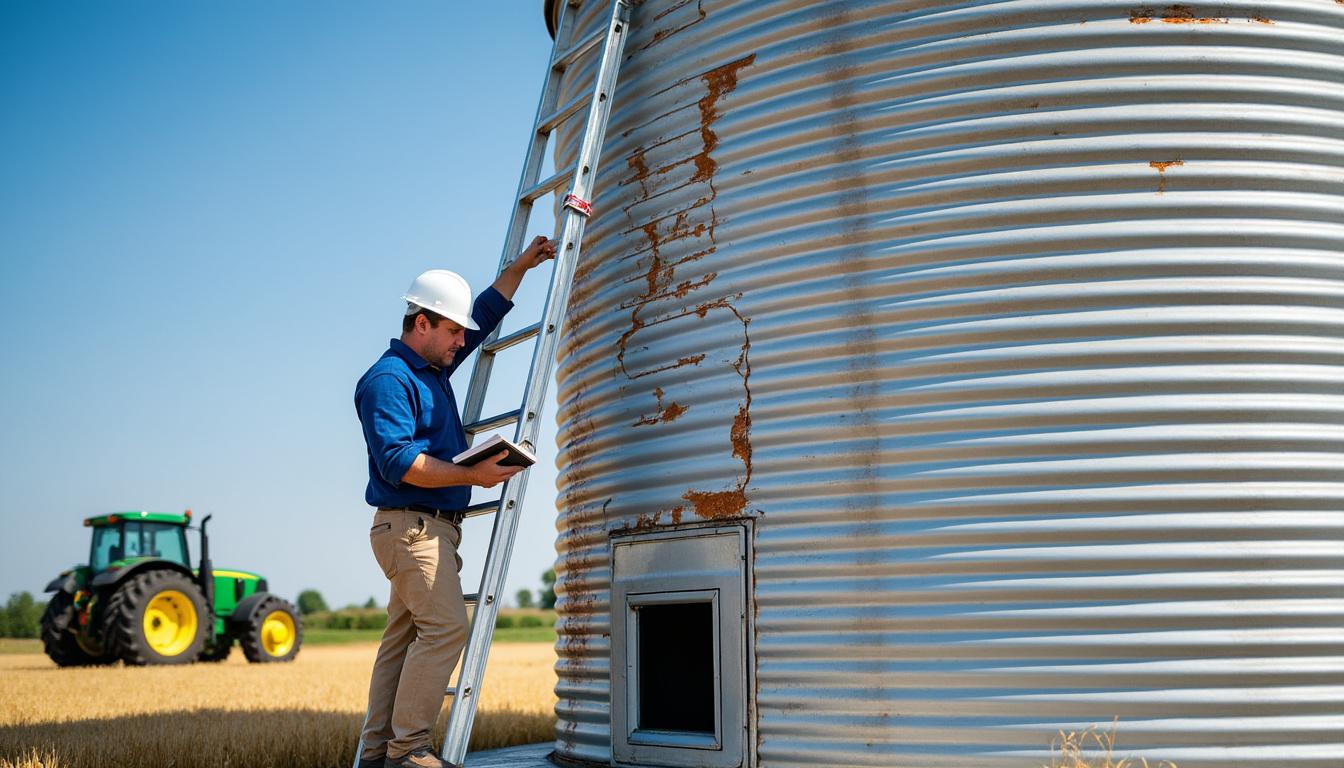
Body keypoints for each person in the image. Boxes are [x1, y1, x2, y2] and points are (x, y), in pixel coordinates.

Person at [353, 235, 556, 768]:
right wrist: (478, 476)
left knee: (400, 647)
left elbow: (485, 314)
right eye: (452, 330)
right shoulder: (389, 380)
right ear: (422, 324)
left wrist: (522, 266)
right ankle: (410, 752)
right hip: (412, 530)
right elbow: (399, 461)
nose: (462, 339)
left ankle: (377, 757)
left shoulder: (433, 367)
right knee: (447, 630)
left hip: (426, 527)